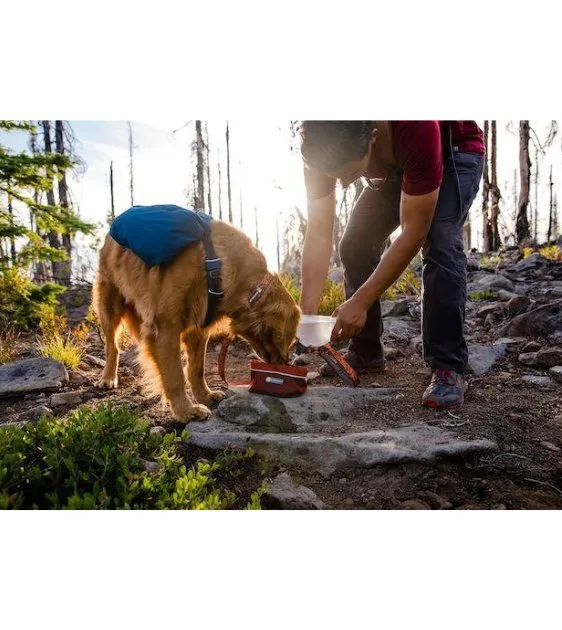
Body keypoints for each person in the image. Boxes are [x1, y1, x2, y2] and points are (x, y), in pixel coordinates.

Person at [299, 121, 485, 408]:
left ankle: (448, 365)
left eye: (349, 173)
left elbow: (413, 232)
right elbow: (319, 232)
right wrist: (305, 316)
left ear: (372, 137)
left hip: (453, 153)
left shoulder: (416, 125)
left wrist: (359, 302)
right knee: (355, 245)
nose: (345, 184)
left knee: (440, 241)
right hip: (390, 167)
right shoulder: (320, 144)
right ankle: (366, 350)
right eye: (333, 177)